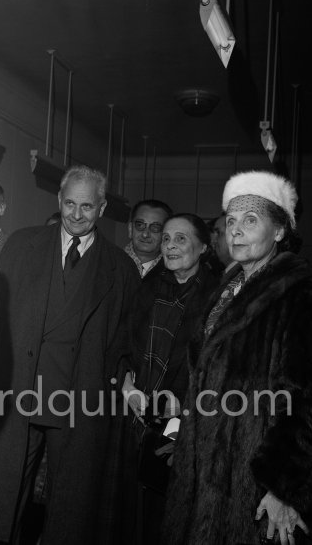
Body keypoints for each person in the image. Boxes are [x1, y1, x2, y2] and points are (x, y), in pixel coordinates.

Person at [162, 171, 312, 545]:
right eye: (231, 221)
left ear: (280, 231)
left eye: (250, 221)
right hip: (203, 470)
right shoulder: (227, 288)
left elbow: (308, 404)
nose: (235, 230)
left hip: (251, 481)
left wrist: (282, 487)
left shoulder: (298, 296)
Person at [0, 165, 140, 544]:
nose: (77, 214)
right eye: (70, 203)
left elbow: (126, 341)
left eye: (87, 206)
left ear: (102, 208)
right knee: (3, 499)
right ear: (59, 201)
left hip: (79, 401)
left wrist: (124, 380)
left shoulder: (121, 268)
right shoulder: (21, 245)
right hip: (18, 394)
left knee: (71, 508)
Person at [122, 213, 219, 543]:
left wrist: (181, 405)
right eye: (166, 239)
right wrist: (126, 384)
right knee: (128, 515)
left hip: (183, 425)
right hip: (135, 416)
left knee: (167, 522)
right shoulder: (147, 287)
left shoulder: (217, 298)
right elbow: (123, 344)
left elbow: (217, 371)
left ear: (203, 247)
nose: (170, 245)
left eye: (181, 239)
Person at [125, 199, 173, 278]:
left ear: (166, 236)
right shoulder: (107, 263)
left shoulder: (176, 273)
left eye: (155, 228)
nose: (145, 234)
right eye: (140, 225)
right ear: (130, 229)